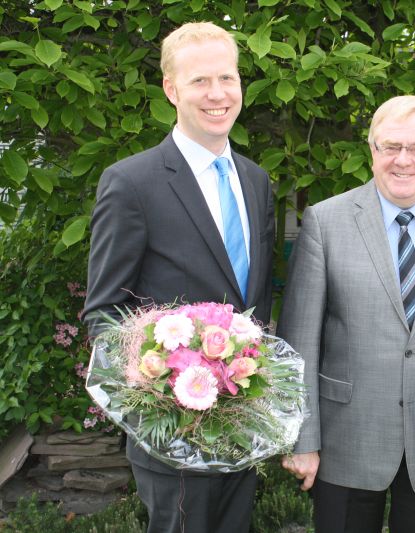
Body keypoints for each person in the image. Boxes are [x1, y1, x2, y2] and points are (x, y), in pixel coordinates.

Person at [82, 22, 274, 533]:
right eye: (199, 81)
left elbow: (255, 300)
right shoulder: (132, 182)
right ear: (171, 89)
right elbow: (104, 312)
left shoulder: (255, 181)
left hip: (244, 423)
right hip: (172, 436)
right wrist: (155, 392)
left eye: (228, 78)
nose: (218, 94)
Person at [278, 95, 415, 533]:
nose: (403, 161)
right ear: (372, 151)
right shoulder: (325, 222)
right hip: (346, 438)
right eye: (390, 146)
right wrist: (302, 439)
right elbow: (299, 342)